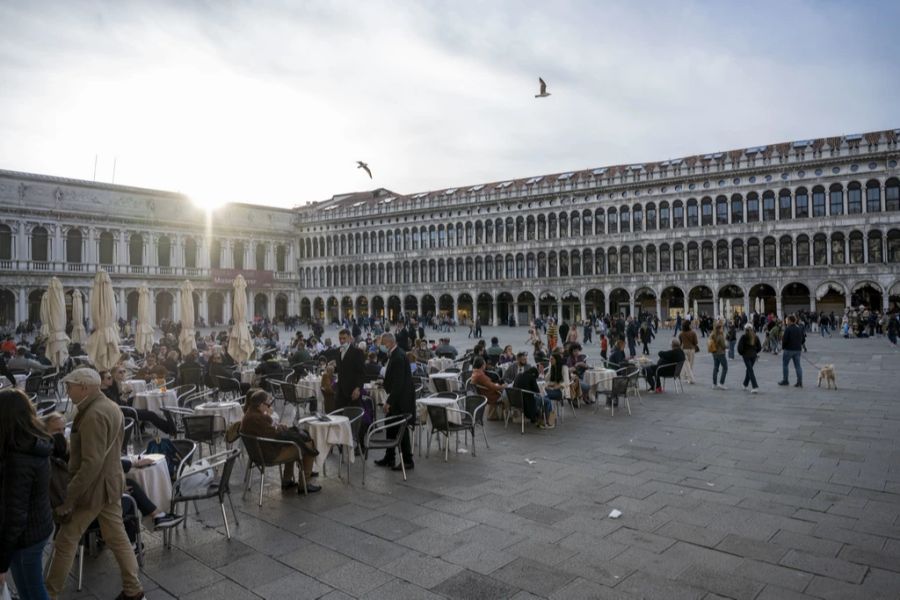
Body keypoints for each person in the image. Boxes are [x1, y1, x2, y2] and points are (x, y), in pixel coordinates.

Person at [46, 368, 145, 600]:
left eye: (70, 387)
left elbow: (91, 463)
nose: (68, 392)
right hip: (110, 483)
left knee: (65, 540)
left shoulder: (92, 414)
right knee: (116, 536)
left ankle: (49, 593)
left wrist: (69, 496)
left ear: (84, 387)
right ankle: (133, 588)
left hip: (93, 489)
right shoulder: (110, 406)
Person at [0, 389, 53, 600]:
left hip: (25, 536)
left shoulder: (18, 458)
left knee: (32, 591)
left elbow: (15, 515)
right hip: (36, 526)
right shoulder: (30, 441)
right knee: (29, 589)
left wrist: (1, 563)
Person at [240, 389, 321, 493]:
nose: (269, 407)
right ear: (260, 404)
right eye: (268, 405)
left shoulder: (250, 415)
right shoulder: (257, 418)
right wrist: (280, 428)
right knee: (307, 445)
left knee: (293, 443)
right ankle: (305, 484)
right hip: (269, 455)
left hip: (257, 454)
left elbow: (269, 429)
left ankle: (287, 480)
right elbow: (277, 436)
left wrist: (277, 425)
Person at [373, 332, 415, 471]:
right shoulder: (396, 354)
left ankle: (408, 460)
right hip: (399, 397)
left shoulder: (397, 356)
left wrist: (388, 402)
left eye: (382, 344)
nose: (381, 347)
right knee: (390, 425)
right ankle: (389, 457)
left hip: (400, 400)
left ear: (388, 343)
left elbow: (398, 383)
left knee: (401, 429)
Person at [102, 370, 176, 435]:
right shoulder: (105, 393)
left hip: (125, 409)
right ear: (102, 381)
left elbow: (120, 400)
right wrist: (126, 395)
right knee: (151, 414)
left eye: (124, 371)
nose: (111, 379)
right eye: (108, 378)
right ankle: (169, 429)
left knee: (147, 410)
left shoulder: (110, 388)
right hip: (122, 412)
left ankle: (168, 428)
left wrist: (125, 393)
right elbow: (117, 406)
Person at [335, 329, 365, 411]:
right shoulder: (338, 351)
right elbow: (341, 368)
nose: (341, 341)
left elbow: (361, 373)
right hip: (340, 391)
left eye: (344, 338)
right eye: (340, 338)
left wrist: (358, 388)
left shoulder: (357, 352)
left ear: (349, 338)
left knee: (353, 416)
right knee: (339, 416)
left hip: (352, 391)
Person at [778, 315, 804, 387]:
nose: (786, 322)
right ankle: (800, 381)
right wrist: (799, 345)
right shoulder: (799, 328)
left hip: (788, 350)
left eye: (787, 320)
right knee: (798, 366)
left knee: (785, 365)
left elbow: (784, 340)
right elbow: (802, 338)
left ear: (790, 320)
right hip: (797, 350)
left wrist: (783, 347)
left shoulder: (788, 329)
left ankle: (785, 380)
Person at [539, 353, 563, 426]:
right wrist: (542, 372)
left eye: (552, 359)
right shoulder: (551, 367)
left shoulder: (563, 368)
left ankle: (547, 417)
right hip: (551, 389)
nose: (550, 360)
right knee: (541, 394)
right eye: (550, 359)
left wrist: (556, 386)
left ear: (557, 360)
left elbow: (566, 383)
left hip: (560, 391)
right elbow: (546, 379)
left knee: (543, 395)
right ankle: (547, 416)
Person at [737, 324, 761, 393]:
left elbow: (739, 348)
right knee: (749, 369)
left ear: (745, 329)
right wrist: (755, 352)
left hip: (746, 356)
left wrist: (742, 353)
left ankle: (755, 386)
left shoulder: (743, 337)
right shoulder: (755, 336)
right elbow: (759, 347)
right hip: (753, 356)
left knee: (750, 370)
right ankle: (745, 384)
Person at [709, 321, 728, 390]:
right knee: (725, 368)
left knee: (716, 367)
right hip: (721, 353)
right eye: (722, 328)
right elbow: (723, 345)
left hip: (714, 353)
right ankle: (721, 383)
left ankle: (714, 383)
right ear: (720, 328)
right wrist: (727, 346)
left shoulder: (712, 334)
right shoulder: (720, 335)